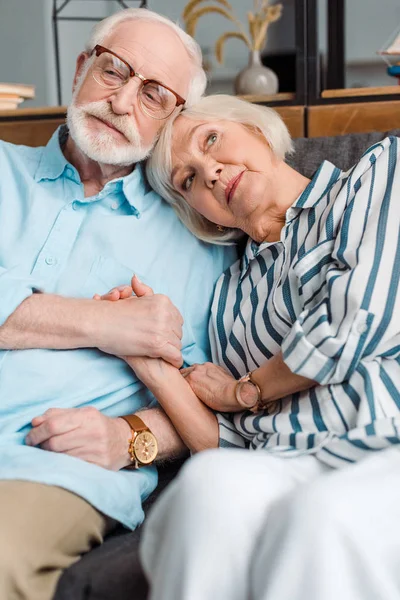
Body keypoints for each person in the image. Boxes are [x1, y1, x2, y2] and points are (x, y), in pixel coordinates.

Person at [103, 95, 399, 600]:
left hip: (383, 439)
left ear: (257, 129)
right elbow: (229, 444)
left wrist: (245, 390)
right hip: (286, 461)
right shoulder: (229, 299)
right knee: (205, 491)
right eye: (189, 180)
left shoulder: (378, 175)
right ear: (198, 210)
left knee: (322, 518)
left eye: (211, 139)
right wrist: (151, 365)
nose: (211, 172)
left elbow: (356, 324)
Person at [0, 12, 236, 600]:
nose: (122, 100)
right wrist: (105, 323)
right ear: (83, 68)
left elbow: (214, 410)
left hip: (43, 469)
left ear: (173, 118)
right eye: (114, 71)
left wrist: (131, 437)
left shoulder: (200, 237)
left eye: (153, 93)